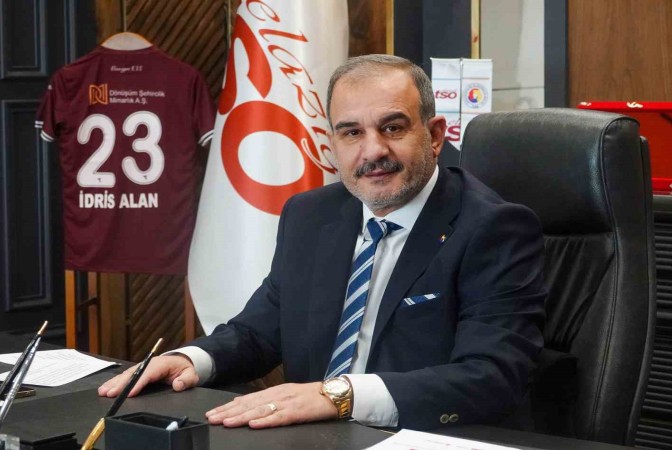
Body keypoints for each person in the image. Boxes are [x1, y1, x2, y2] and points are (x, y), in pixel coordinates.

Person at [99, 54, 546, 431]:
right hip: (313, 438)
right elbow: (259, 332)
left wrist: (340, 395)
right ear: (332, 141)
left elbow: (492, 376)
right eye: (351, 132)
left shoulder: (493, 228)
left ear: (433, 135)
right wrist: (192, 359)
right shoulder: (310, 215)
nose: (372, 151)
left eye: (392, 128)